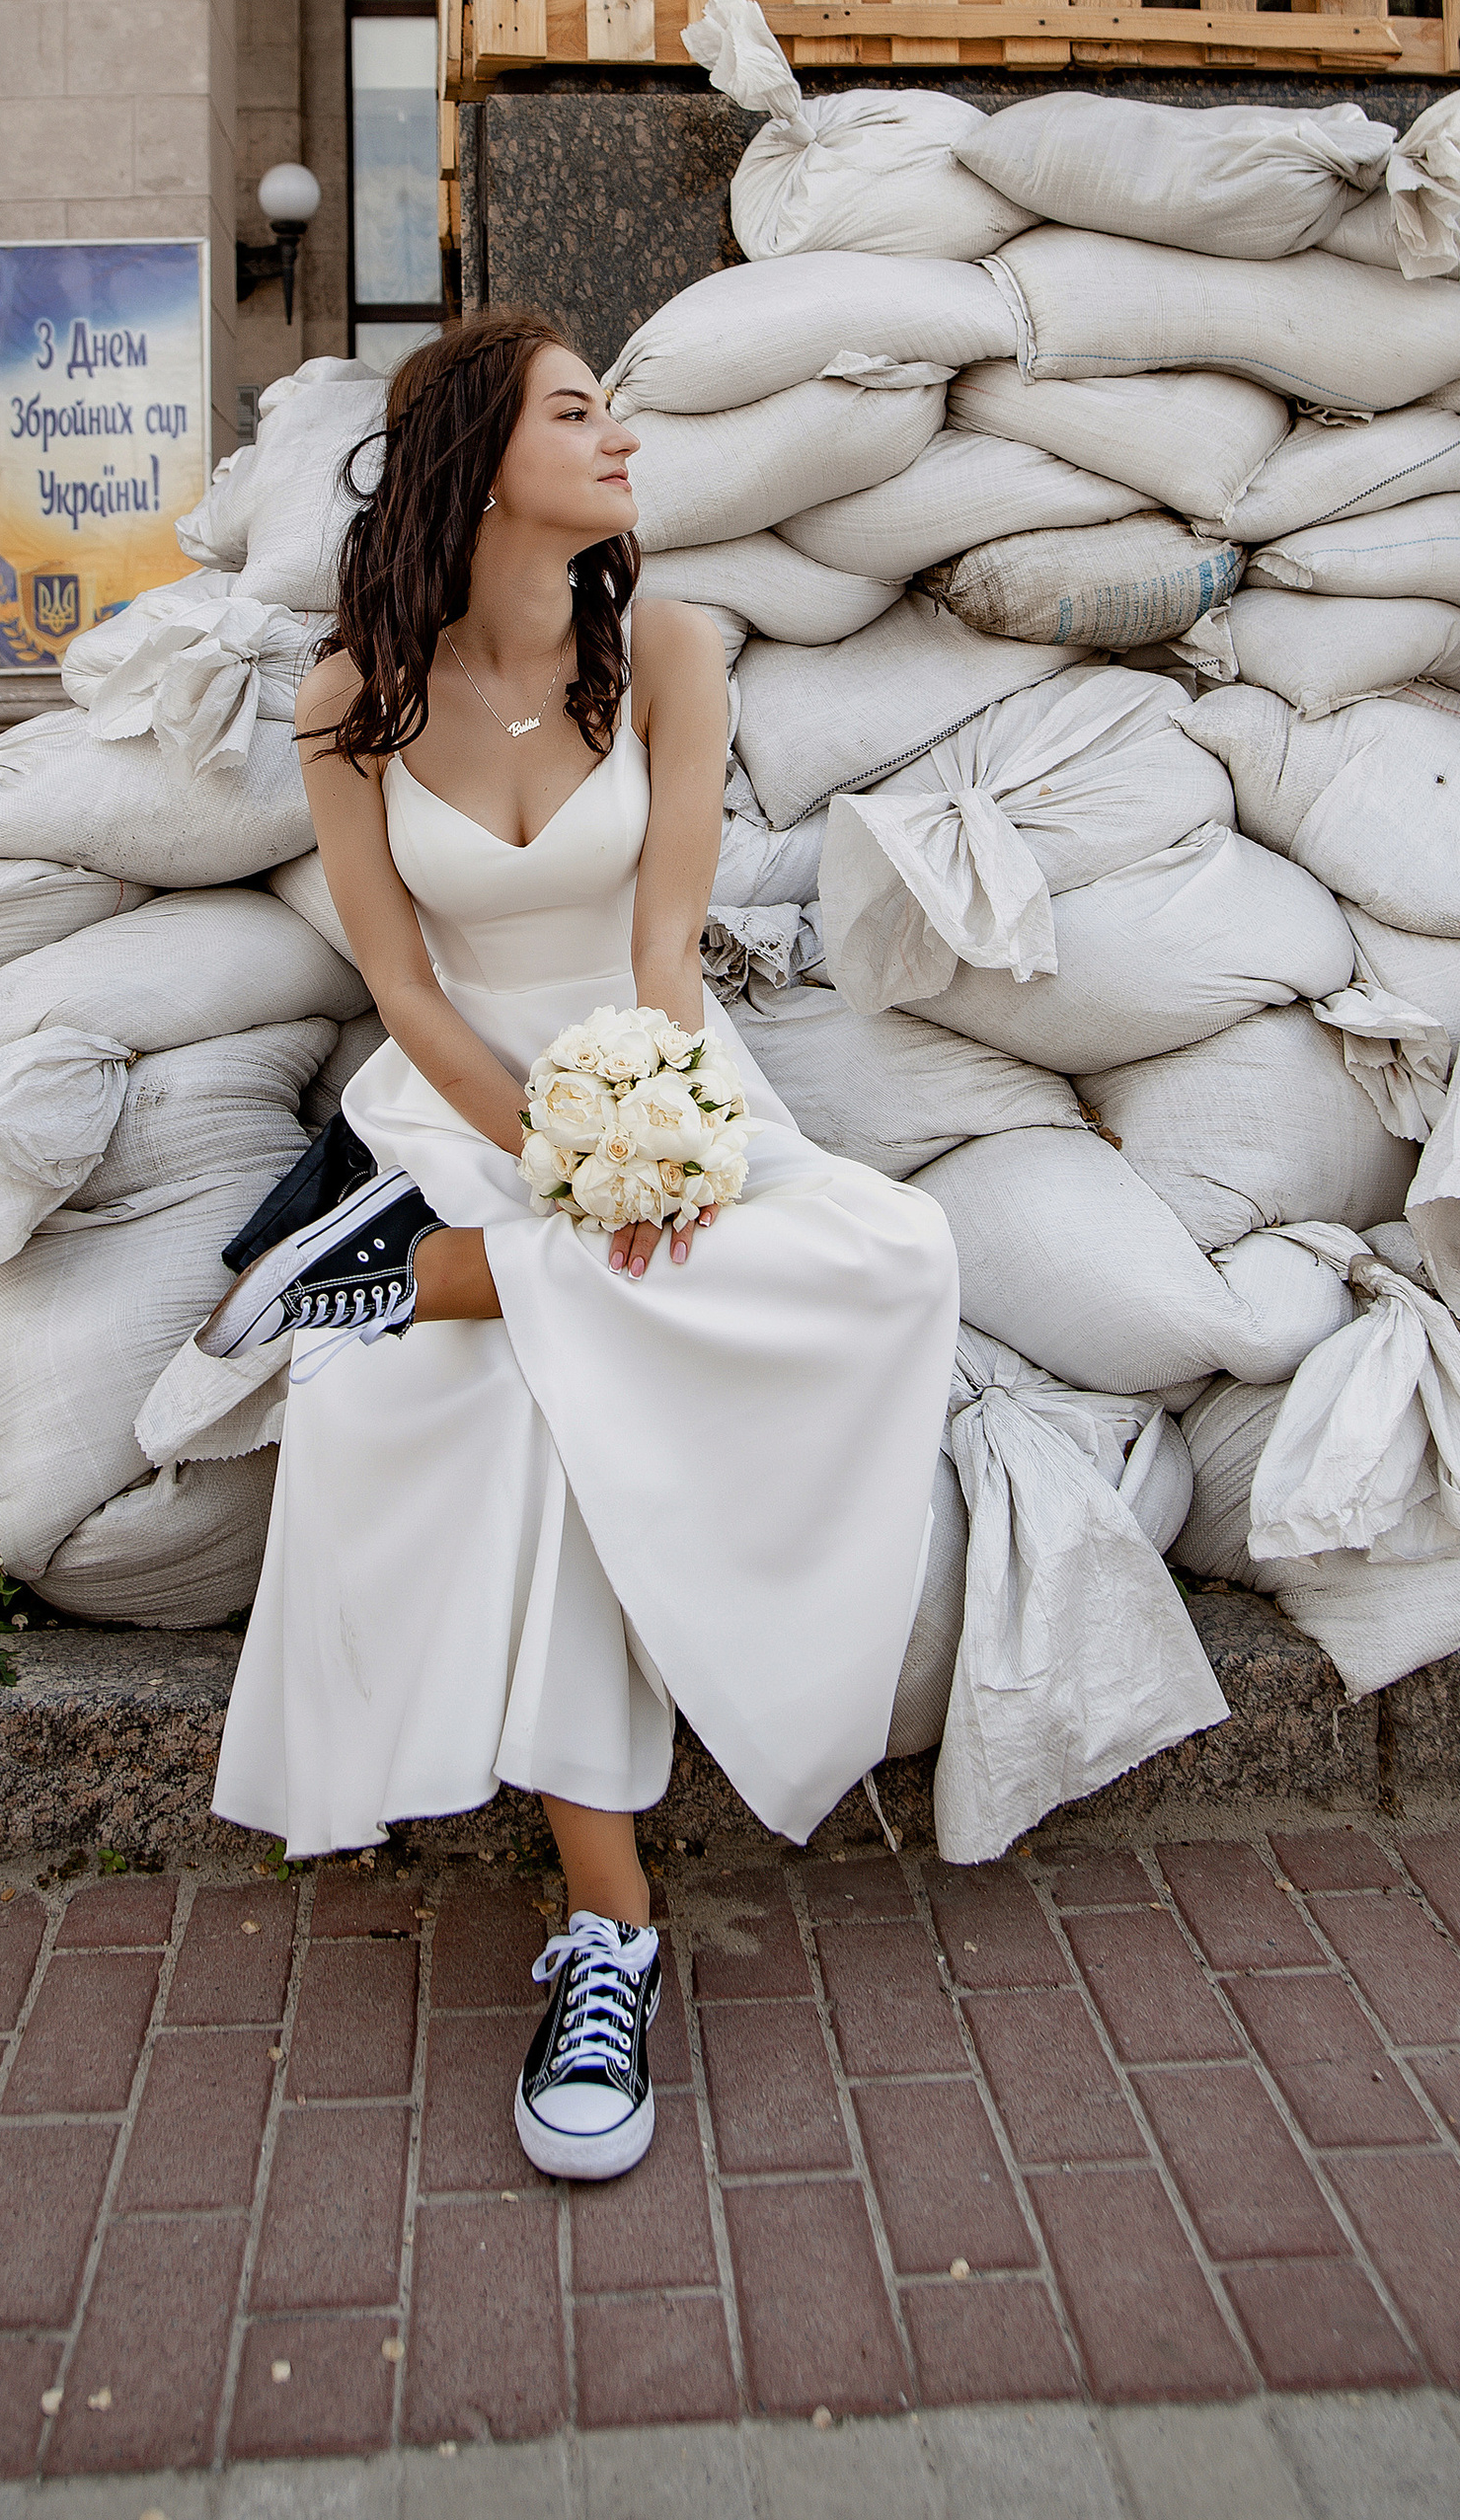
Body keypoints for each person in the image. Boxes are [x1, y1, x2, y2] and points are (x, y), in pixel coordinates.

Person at [207, 308, 961, 2183]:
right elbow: (398, 980)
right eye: (577, 410)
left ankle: (445, 1280)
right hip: (462, 1112)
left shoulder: (675, 654)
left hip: (667, 1091)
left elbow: (660, 959)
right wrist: (550, 1159)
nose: (621, 436)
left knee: (898, 1259)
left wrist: (653, 1147)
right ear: (478, 453)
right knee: (543, 1425)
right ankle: (606, 1936)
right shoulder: (349, 696)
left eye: (616, 409)